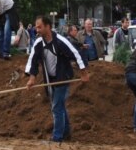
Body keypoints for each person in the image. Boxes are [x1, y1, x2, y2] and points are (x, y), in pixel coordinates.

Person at [25, 15, 90, 143]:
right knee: (59, 106)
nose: (37, 30)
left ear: (48, 27)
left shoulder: (60, 41)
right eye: (36, 27)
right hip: (50, 80)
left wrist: (84, 73)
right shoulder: (38, 43)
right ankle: (66, 133)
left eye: (39, 27)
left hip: (63, 77)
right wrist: (32, 79)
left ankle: (57, 137)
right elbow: (33, 61)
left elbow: (75, 54)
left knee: (56, 107)